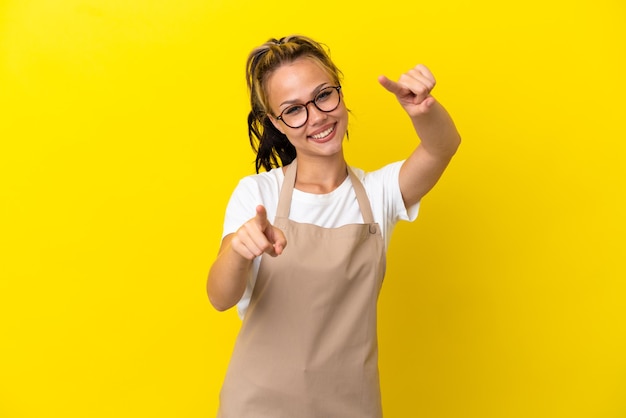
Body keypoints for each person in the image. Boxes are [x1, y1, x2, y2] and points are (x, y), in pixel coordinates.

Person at [207, 35, 461, 418]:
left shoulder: (380, 194)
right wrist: (238, 252)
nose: (317, 116)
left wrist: (423, 110)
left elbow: (441, 147)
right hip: (259, 406)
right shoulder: (258, 193)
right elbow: (220, 298)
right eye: (294, 110)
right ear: (276, 123)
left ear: (340, 93)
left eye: (323, 95)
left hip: (351, 406)